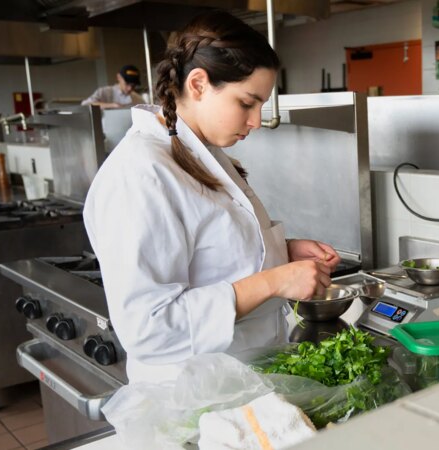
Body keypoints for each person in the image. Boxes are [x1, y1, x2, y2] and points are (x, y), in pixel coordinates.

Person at [83, 11, 340, 383]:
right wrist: (274, 281)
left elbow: (211, 250)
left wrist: (283, 250)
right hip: (193, 397)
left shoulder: (200, 152)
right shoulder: (141, 174)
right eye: (247, 103)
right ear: (199, 84)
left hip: (239, 383)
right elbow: (150, 327)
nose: (255, 120)